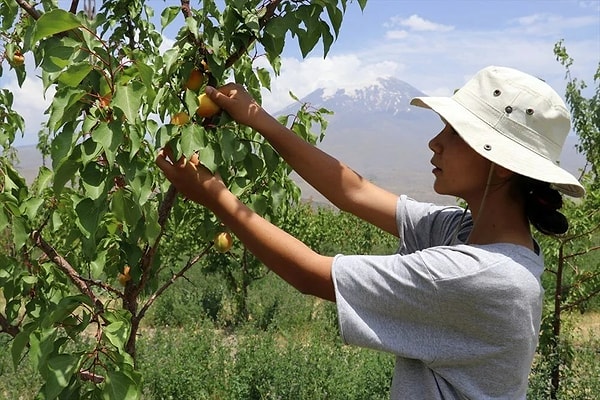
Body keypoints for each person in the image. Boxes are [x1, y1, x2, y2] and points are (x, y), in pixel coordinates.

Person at [155, 65, 585, 399]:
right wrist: (258, 118)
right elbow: (353, 191)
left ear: (500, 163)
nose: (435, 142)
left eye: (455, 133)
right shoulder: (467, 233)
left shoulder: (478, 276)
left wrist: (216, 198)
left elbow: (310, 273)